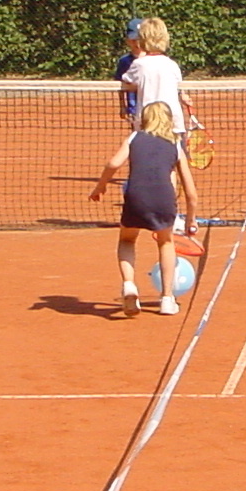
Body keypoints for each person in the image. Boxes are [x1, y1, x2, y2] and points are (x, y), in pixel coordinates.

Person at [89, 100, 201, 315]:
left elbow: (113, 164)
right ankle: (167, 299)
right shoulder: (175, 145)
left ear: (145, 119)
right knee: (165, 243)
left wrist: (100, 186)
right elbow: (191, 192)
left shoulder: (134, 138)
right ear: (169, 120)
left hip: (136, 197)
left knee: (127, 239)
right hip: (164, 199)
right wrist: (191, 220)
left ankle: (129, 285)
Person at [121, 16, 195, 134]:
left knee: (136, 150)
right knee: (178, 152)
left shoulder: (139, 64)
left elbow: (126, 80)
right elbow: (178, 88)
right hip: (174, 125)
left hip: (147, 125)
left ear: (142, 40)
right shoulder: (172, 65)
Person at [113, 17, 144, 125]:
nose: (137, 43)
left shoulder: (155, 59)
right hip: (134, 110)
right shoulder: (124, 61)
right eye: (133, 40)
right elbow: (120, 87)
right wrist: (123, 106)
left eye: (140, 39)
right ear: (127, 41)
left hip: (152, 108)